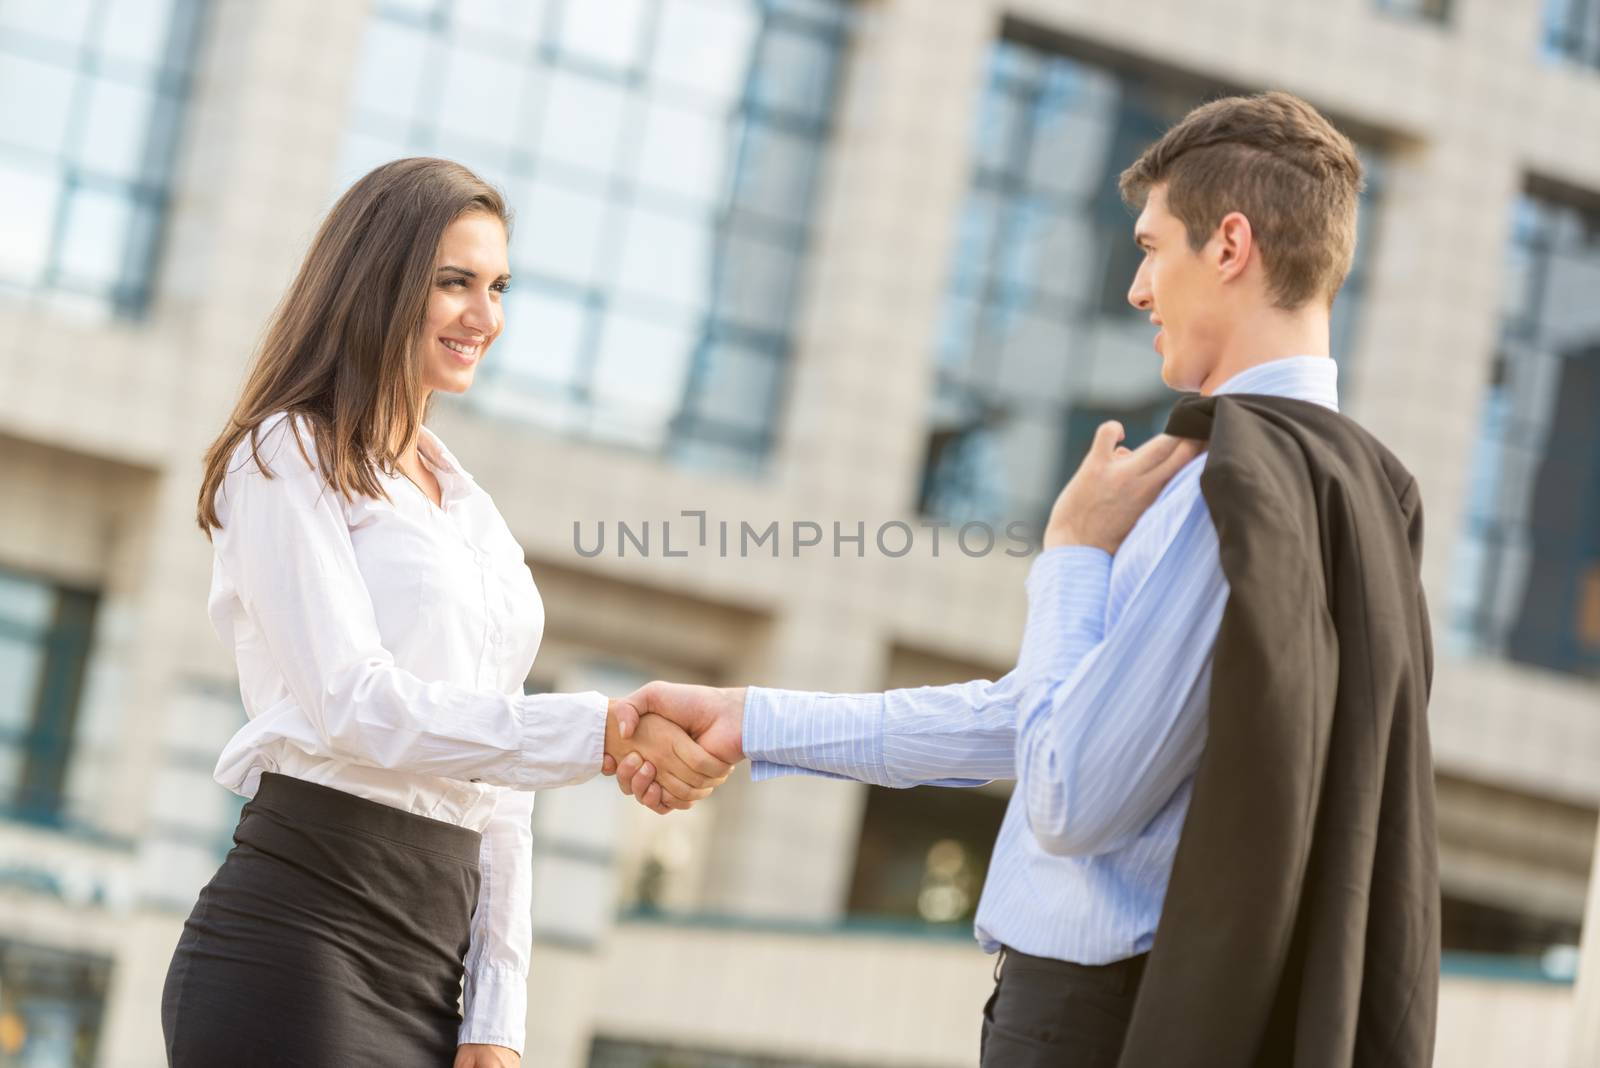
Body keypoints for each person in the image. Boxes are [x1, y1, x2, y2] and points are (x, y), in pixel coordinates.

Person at [609, 91, 1438, 1066]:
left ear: (1228, 246)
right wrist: (755, 721)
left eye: (1148, 246)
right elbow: (1051, 715)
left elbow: (1070, 788)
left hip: (1091, 1025)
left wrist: (1074, 554)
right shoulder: (1358, 488)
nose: (1136, 289)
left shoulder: (1235, 485)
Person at [163, 157, 732, 1068]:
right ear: (380, 283)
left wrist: (498, 1016)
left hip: (434, 963)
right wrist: (602, 732)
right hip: (303, 941)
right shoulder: (283, 453)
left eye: (498, 287)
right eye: (454, 283)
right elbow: (354, 702)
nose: (486, 316)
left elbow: (498, 788)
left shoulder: (471, 511)